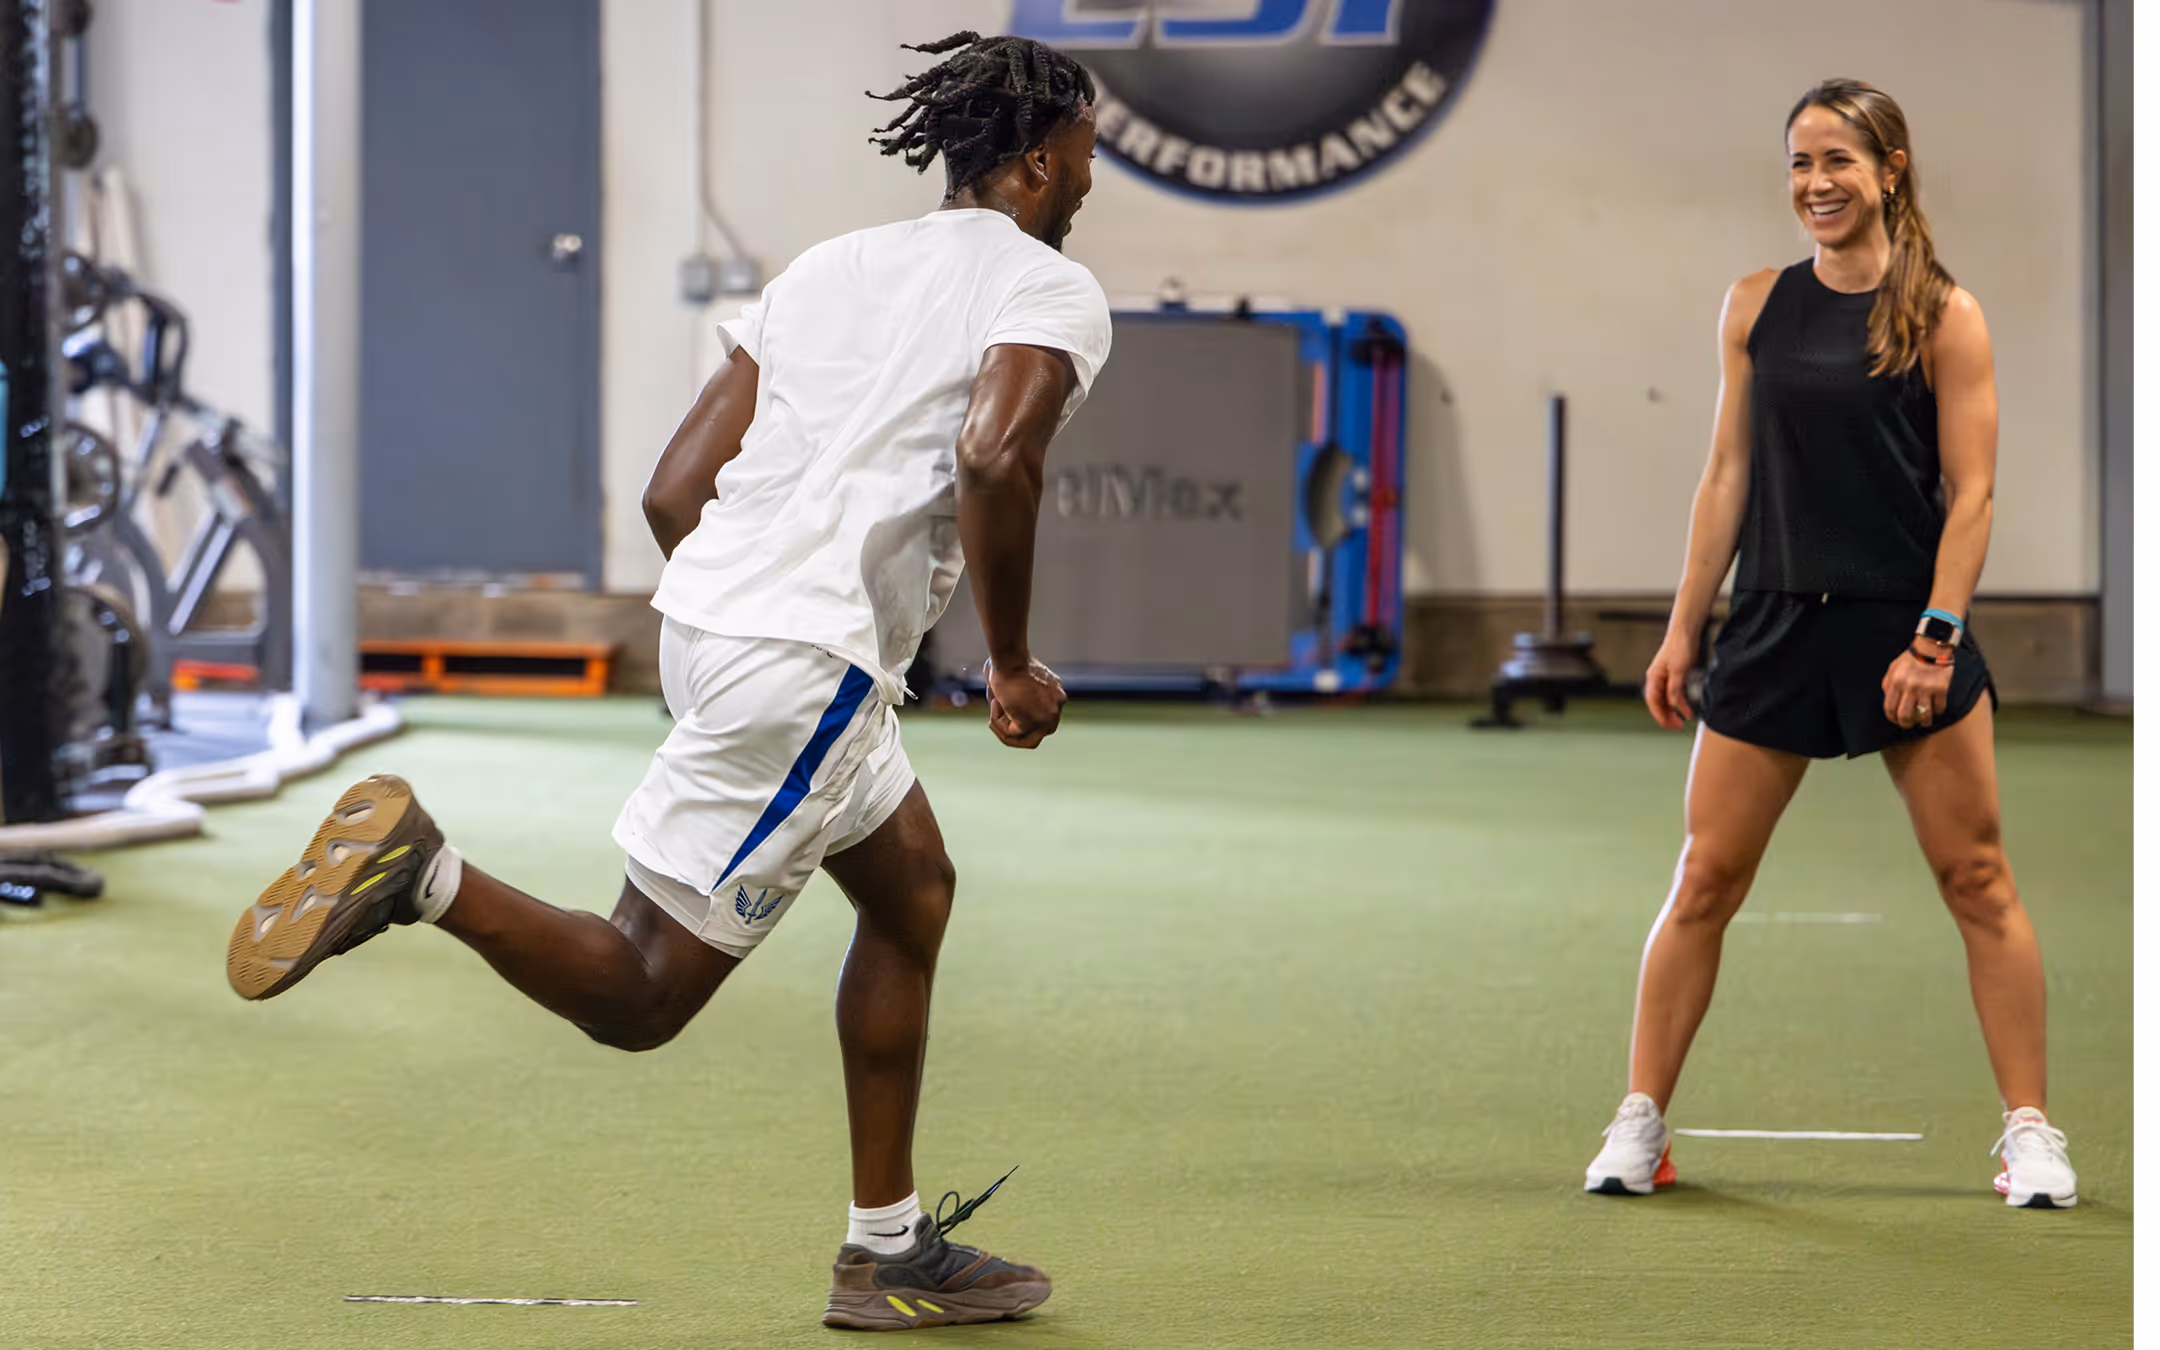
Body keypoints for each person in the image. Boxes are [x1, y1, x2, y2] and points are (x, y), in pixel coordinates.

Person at [224, 31, 1114, 1328]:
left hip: (717, 626)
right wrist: (1015, 662)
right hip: (803, 668)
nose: (1091, 182)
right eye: (1085, 159)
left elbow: (671, 489)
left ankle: (887, 1247)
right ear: (1039, 162)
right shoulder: (1047, 290)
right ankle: (421, 870)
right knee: (641, 997)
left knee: (912, 893)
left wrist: (750, 622)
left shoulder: (827, 269)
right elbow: (992, 457)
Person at [1582, 79, 2076, 1209]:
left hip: (1905, 634)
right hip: (1772, 627)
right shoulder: (1755, 304)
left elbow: (1975, 492)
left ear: (1891, 169)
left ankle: (2031, 1132)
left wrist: (1936, 640)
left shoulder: (1947, 312)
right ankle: (1641, 1121)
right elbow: (1727, 478)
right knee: (1704, 878)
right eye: (1801, 163)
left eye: (1839, 162)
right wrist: (1682, 628)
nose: (1816, 184)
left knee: (1979, 878)